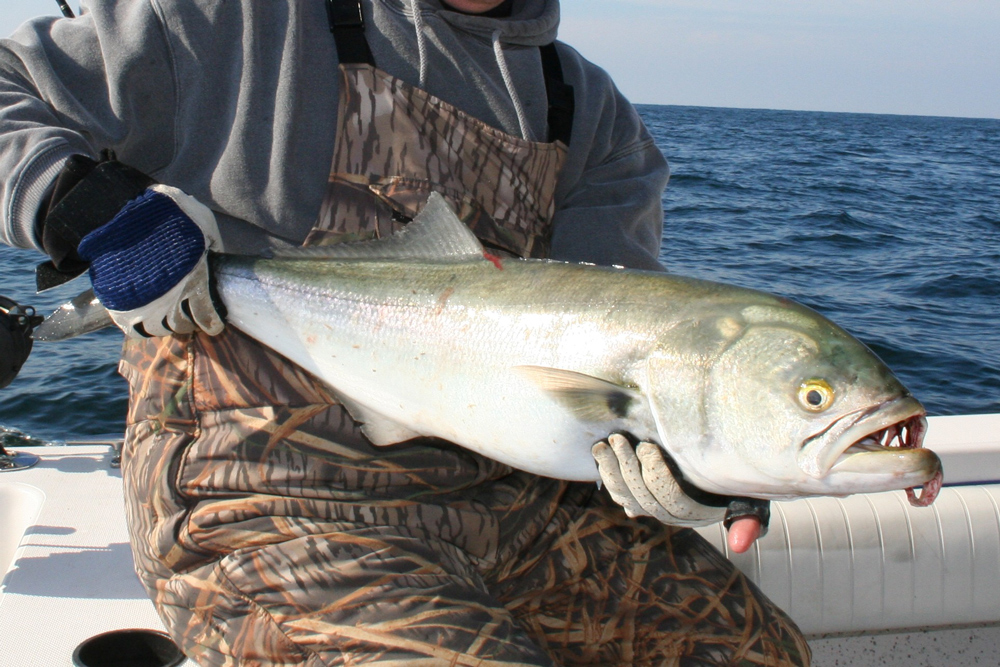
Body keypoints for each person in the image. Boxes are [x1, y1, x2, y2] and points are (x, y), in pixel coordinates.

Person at [0, 0, 809, 664]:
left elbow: (621, 352)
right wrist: (86, 204)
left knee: (758, 654)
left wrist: (697, 460)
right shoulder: (241, 22)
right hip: (262, 490)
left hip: (514, 499)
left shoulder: (587, 113)